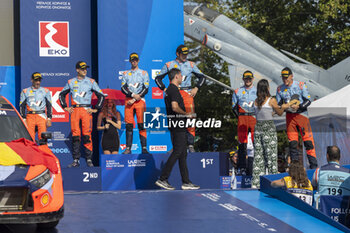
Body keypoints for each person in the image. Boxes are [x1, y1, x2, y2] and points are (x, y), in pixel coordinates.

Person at [155, 68, 200, 190]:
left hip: (175, 124)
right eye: (181, 76)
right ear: (176, 77)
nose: (182, 78)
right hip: (178, 124)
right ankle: (163, 178)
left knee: (183, 154)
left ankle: (186, 181)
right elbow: (175, 107)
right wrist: (186, 114)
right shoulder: (173, 90)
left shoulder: (170, 90)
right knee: (177, 151)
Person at [155, 45, 205, 153]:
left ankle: (190, 145)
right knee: (174, 119)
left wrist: (196, 88)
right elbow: (158, 78)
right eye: (183, 54)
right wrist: (164, 88)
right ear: (177, 54)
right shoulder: (169, 64)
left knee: (190, 118)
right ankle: (175, 146)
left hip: (187, 92)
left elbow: (202, 77)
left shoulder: (191, 64)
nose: (185, 56)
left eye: (186, 54)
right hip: (174, 92)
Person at [59, 61, 105, 167]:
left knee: (87, 135)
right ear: (77, 70)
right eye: (82, 68)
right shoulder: (71, 82)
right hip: (75, 110)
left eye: (86, 68)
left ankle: (89, 160)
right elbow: (61, 94)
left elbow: (101, 96)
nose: (85, 70)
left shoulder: (91, 81)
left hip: (86, 110)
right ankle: (76, 160)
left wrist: (96, 109)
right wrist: (65, 107)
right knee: (75, 135)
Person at [276, 67, 317, 169]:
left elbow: (308, 101)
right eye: (283, 78)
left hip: (302, 116)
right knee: (293, 145)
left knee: (308, 143)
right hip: (290, 118)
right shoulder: (279, 89)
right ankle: (295, 168)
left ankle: (314, 167)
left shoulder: (300, 85)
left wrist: (299, 107)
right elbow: (279, 104)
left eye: (287, 77)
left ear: (291, 76)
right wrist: (285, 107)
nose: (285, 80)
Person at [251, 79, 289, 188]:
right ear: (267, 88)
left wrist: (272, 112)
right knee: (271, 155)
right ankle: (273, 182)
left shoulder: (255, 101)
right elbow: (280, 112)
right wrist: (284, 106)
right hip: (268, 128)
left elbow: (264, 112)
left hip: (258, 128)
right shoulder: (271, 100)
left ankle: (256, 183)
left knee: (259, 156)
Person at [121, 53, 150, 154]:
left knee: (142, 125)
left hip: (140, 101)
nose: (134, 61)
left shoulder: (144, 73)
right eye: (132, 60)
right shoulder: (125, 74)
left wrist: (137, 97)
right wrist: (133, 95)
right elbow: (123, 88)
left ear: (138, 60)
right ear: (130, 61)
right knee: (129, 125)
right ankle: (128, 148)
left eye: (136, 60)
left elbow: (146, 88)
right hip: (129, 100)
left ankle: (144, 148)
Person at [232, 70, 257, 175]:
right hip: (242, 118)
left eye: (249, 78)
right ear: (243, 79)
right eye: (246, 78)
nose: (248, 80)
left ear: (252, 79)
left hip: (254, 117)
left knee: (257, 143)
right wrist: (240, 117)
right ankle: (241, 167)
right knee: (242, 144)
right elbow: (233, 107)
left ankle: (256, 166)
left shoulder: (257, 90)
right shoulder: (237, 91)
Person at [19, 72, 52, 142]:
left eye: (39, 80)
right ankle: (30, 153)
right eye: (36, 80)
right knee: (30, 139)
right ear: (32, 80)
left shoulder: (45, 91)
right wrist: (24, 119)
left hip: (41, 117)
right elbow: (22, 106)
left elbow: (49, 105)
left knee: (43, 139)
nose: (38, 82)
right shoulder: (25, 91)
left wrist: (49, 118)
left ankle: (43, 152)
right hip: (30, 117)